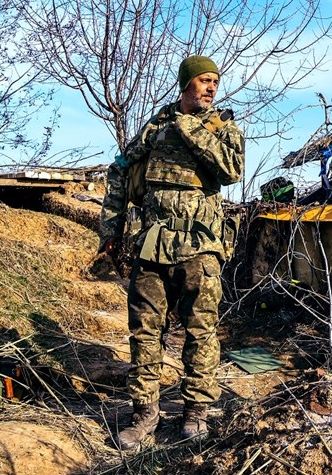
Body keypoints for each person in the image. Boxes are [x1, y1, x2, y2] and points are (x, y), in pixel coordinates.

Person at [99, 55, 244, 449]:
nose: (212, 87)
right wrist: (110, 229)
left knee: (200, 331)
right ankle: (145, 414)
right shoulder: (154, 128)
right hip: (152, 244)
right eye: (203, 80)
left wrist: (188, 126)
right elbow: (118, 171)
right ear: (186, 84)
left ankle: (195, 412)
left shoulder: (223, 128)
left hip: (200, 247)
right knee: (145, 331)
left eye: (216, 80)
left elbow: (231, 170)